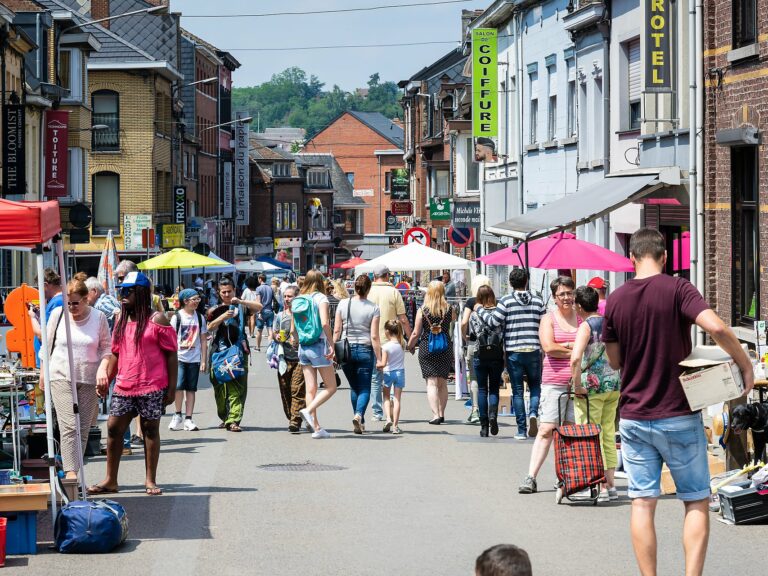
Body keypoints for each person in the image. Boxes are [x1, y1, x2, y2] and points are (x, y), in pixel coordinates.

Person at [603, 228, 753, 576]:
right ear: (665, 257)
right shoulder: (678, 289)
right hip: (678, 413)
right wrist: (743, 363)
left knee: (642, 502)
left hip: (634, 416)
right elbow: (715, 327)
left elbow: (614, 360)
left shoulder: (617, 299)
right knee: (696, 500)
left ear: (632, 259)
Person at [88, 272, 178, 496]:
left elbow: (171, 355)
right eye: (121, 291)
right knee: (113, 427)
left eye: (128, 291)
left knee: (150, 430)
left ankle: (150, 480)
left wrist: (172, 388)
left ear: (140, 293)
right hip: (124, 385)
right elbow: (116, 353)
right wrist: (107, 380)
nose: (123, 295)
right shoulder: (121, 320)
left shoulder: (157, 319)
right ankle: (111, 480)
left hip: (152, 385)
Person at [46, 277, 111, 480]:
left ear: (86, 299)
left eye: (75, 302)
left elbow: (107, 347)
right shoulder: (58, 315)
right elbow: (47, 347)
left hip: (89, 377)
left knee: (82, 429)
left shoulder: (98, 317)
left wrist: (103, 369)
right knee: (69, 426)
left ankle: (75, 474)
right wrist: (42, 375)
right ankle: (71, 474)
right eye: (68, 302)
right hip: (61, 374)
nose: (71, 307)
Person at [518, 276, 579, 494]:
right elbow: (548, 346)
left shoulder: (581, 319)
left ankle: (563, 477)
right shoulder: (548, 319)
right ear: (554, 297)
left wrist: (565, 346)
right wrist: (574, 348)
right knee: (546, 429)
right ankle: (531, 477)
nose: (567, 297)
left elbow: (589, 347)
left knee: (571, 432)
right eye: (562, 294)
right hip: (554, 382)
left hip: (577, 383)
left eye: (570, 293)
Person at [476, 268, 546, 440]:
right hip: (534, 349)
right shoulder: (538, 301)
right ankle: (533, 413)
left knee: (517, 390)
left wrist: (479, 310)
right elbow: (544, 325)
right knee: (535, 386)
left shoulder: (506, 301)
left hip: (514, 350)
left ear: (511, 283)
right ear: (527, 282)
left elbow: (493, 322)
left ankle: (521, 430)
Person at [570, 285, 620, 501]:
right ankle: (611, 484)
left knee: (590, 435)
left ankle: (597, 486)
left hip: (591, 387)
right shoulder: (610, 323)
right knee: (608, 433)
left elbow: (575, 358)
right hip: (613, 385)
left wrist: (576, 385)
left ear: (579, 306)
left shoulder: (586, 327)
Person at [207, 277, 260, 432]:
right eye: (223, 292)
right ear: (218, 292)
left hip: (238, 353)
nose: (227, 294)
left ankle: (234, 419)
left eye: (229, 291)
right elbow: (209, 327)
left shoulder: (241, 308)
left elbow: (259, 307)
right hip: (218, 354)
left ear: (234, 290)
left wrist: (242, 302)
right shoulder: (214, 309)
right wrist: (223, 317)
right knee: (219, 389)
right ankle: (225, 416)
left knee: (238, 388)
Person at [334, 274, 381, 434]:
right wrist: (380, 358)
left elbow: (337, 330)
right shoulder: (373, 308)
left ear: (354, 287)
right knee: (365, 388)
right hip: (365, 350)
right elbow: (374, 336)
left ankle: (359, 420)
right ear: (368, 289)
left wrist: (333, 350)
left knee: (354, 387)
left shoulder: (343, 304)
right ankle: (359, 414)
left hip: (346, 350)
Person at [294, 270, 337, 439]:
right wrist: (332, 344)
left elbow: (294, 326)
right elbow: (325, 323)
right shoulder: (321, 298)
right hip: (318, 344)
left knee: (310, 389)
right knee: (331, 387)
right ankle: (308, 410)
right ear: (321, 281)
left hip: (303, 346)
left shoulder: (299, 299)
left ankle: (316, 428)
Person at [407, 280, 456, 424]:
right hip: (445, 346)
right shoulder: (449, 309)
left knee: (431, 383)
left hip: (427, 347)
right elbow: (453, 322)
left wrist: (410, 345)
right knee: (442, 383)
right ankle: (442, 413)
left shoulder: (423, 310)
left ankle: (435, 414)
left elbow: (416, 332)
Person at [367, 265, 412, 421]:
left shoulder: (368, 291)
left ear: (374, 276)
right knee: (393, 372)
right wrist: (410, 338)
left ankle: (377, 411)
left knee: (375, 376)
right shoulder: (394, 292)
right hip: (391, 341)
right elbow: (403, 318)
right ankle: (392, 404)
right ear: (387, 276)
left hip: (371, 340)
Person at [169, 289, 207, 432]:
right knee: (178, 387)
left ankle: (189, 418)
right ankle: (177, 414)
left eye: (198, 299)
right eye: (194, 299)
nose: (197, 301)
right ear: (185, 301)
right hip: (179, 357)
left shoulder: (200, 317)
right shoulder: (177, 317)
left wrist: (204, 360)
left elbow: (203, 339)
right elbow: (171, 340)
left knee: (191, 389)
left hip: (194, 358)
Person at [469, 286, 505, 437]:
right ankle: (493, 417)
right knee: (494, 388)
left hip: (480, 353)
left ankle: (484, 425)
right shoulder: (500, 313)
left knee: (482, 389)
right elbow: (503, 331)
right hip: (496, 354)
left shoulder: (474, 315)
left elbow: (472, 334)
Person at [273, 286, 306, 433]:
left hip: (300, 358)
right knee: (285, 391)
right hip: (283, 358)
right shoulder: (280, 316)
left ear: (297, 297)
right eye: (285, 296)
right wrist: (276, 336)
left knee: (296, 390)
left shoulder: (303, 315)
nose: (287, 299)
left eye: (290, 296)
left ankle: (295, 421)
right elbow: (273, 333)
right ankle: (294, 415)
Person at [461, 274, 492, 424]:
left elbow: (463, 322)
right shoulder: (495, 302)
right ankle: (491, 411)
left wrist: (464, 336)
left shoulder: (472, 302)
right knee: (490, 379)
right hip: (492, 346)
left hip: (475, 344)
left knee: (474, 378)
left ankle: (475, 410)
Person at [29, 267, 64, 367]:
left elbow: (43, 336)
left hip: (49, 362)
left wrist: (32, 317)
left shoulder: (57, 302)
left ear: (45, 285)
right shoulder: (56, 301)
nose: (38, 291)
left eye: (39, 287)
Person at [377, 320, 406, 434]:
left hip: (388, 373)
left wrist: (377, 365)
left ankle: (388, 418)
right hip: (400, 372)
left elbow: (383, 364)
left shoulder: (386, 347)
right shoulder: (402, 343)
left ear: (387, 332)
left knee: (386, 397)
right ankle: (395, 426)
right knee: (397, 399)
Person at [255, 273, 274, 351]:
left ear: (260, 279)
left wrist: (259, 312)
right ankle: (270, 348)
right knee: (270, 330)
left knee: (259, 330)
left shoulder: (258, 288)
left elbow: (258, 302)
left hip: (262, 312)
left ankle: (258, 347)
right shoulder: (270, 288)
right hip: (270, 311)